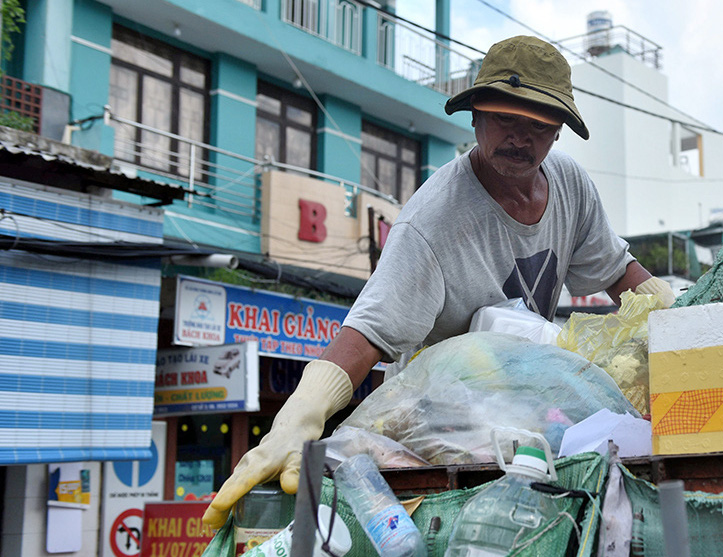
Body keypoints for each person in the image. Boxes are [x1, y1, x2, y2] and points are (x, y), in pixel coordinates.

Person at [202, 35, 674, 528]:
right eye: (505, 118)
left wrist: (684, 318)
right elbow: (369, 331)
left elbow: (623, 276)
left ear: (558, 132)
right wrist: (301, 414)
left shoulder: (570, 185)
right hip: (437, 435)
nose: (520, 137)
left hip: (531, 421)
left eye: (538, 124)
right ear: (475, 117)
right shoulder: (432, 221)